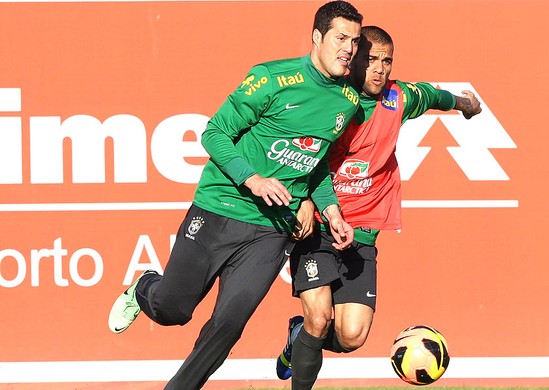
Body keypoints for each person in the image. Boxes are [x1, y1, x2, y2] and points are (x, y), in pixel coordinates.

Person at [107, 2, 363, 389]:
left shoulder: (347, 101)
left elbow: (317, 164)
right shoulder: (272, 79)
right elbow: (213, 133)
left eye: (355, 41)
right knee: (172, 310)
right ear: (317, 37)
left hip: (271, 230)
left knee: (229, 324)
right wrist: (253, 179)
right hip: (219, 209)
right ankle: (144, 286)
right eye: (341, 38)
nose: (348, 48)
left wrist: (332, 211)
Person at [274, 25, 482, 389]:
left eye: (387, 61)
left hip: (364, 234)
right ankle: (306, 342)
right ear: (354, 59)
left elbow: (433, 96)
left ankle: (299, 337)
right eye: (372, 60)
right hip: (320, 229)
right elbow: (299, 157)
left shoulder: (397, 98)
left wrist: (466, 104)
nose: (380, 68)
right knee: (320, 318)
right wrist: (304, 200)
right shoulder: (330, 101)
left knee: (351, 336)